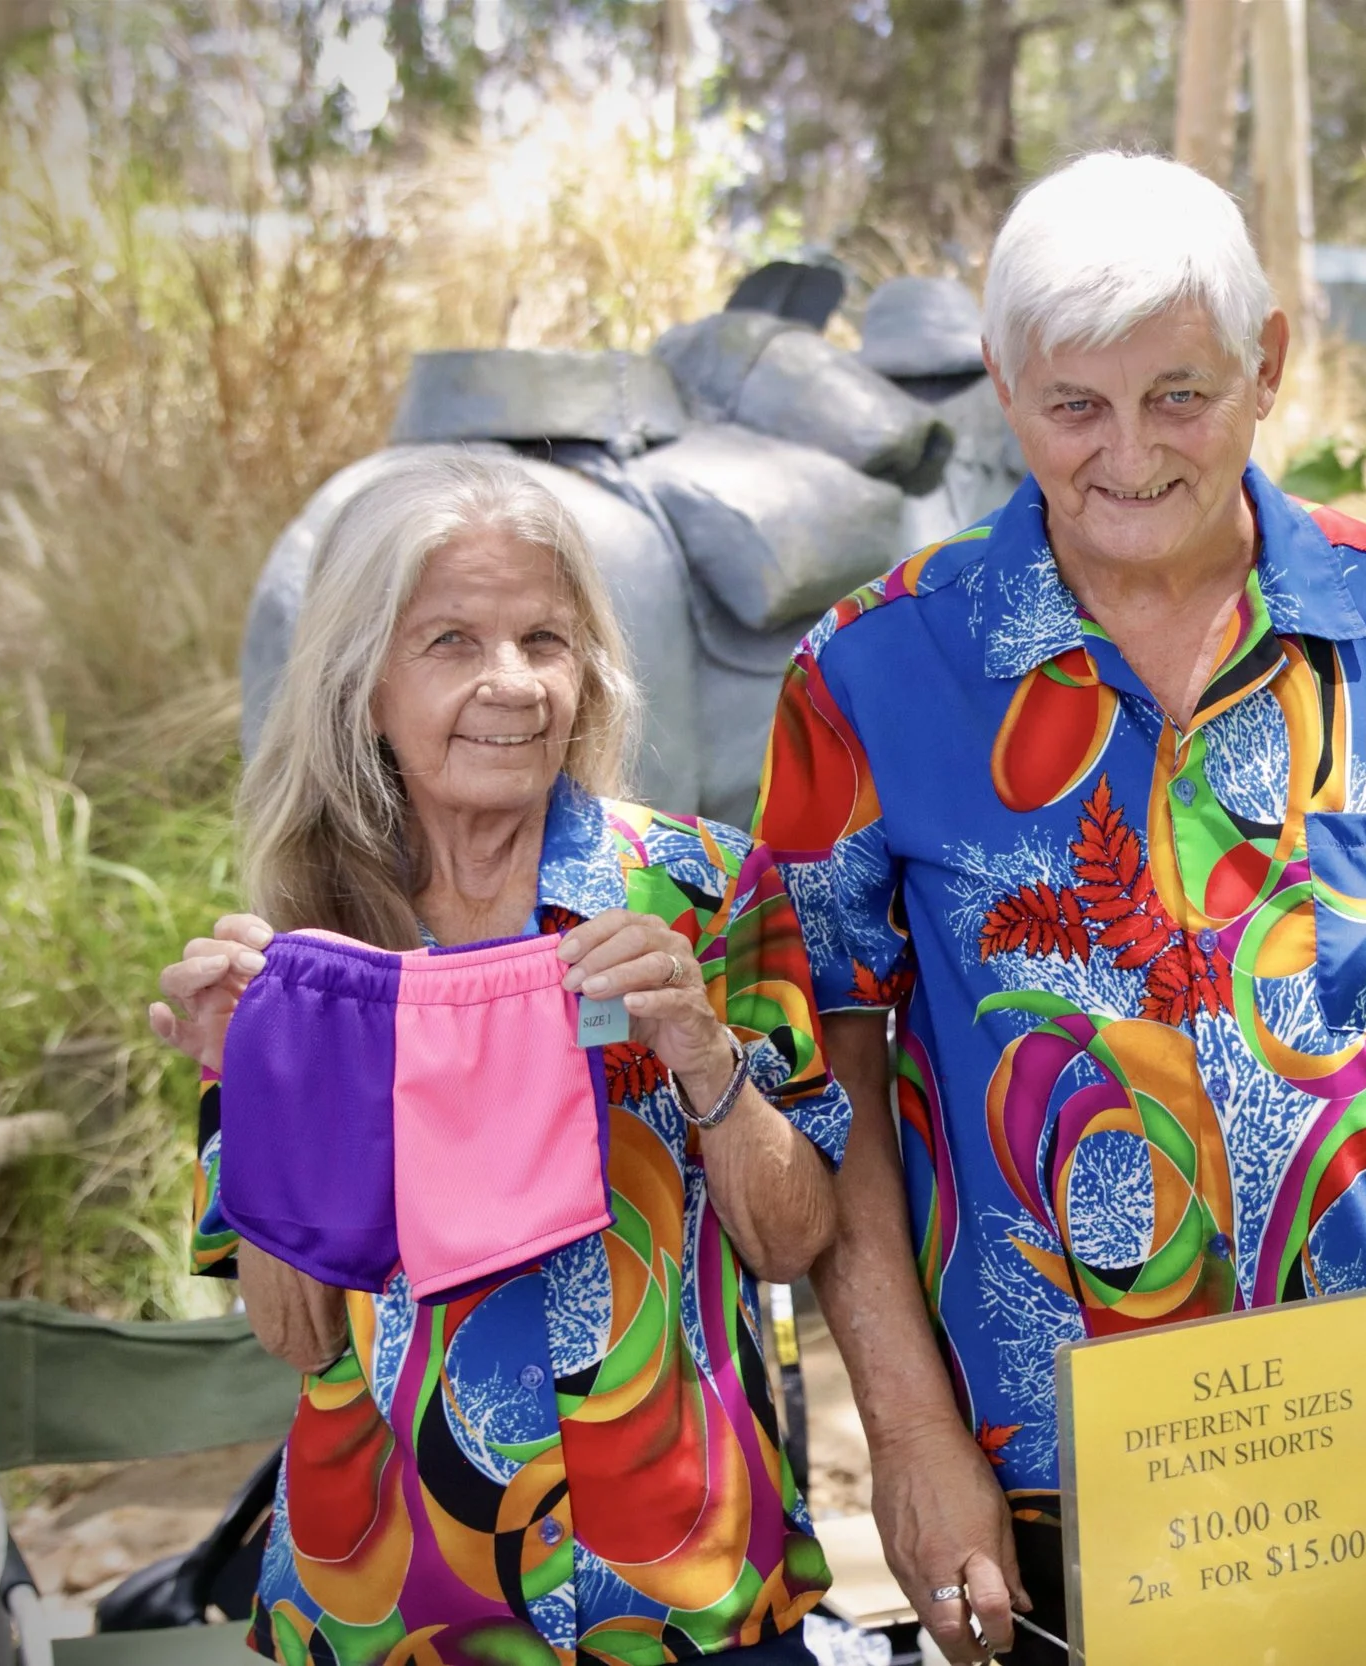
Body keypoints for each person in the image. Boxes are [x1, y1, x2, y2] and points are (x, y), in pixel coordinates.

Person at [756, 153, 1366, 1662]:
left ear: (1269, 365)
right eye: (1073, 406)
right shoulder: (869, 680)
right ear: (1002, 387)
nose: (1129, 454)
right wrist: (905, 1435)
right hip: (1077, 1512)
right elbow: (824, 1073)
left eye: (1179, 395)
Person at [150, 452, 848, 1665]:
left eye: (545, 639)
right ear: (365, 688)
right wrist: (260, 1097)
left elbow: (793, 1242)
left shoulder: (701, 891)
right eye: (451, 642)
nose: (511, 684)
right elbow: (301, 1335)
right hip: (394, 1600)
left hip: (683, 1590)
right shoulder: (305, 959)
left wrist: (698, 1046)